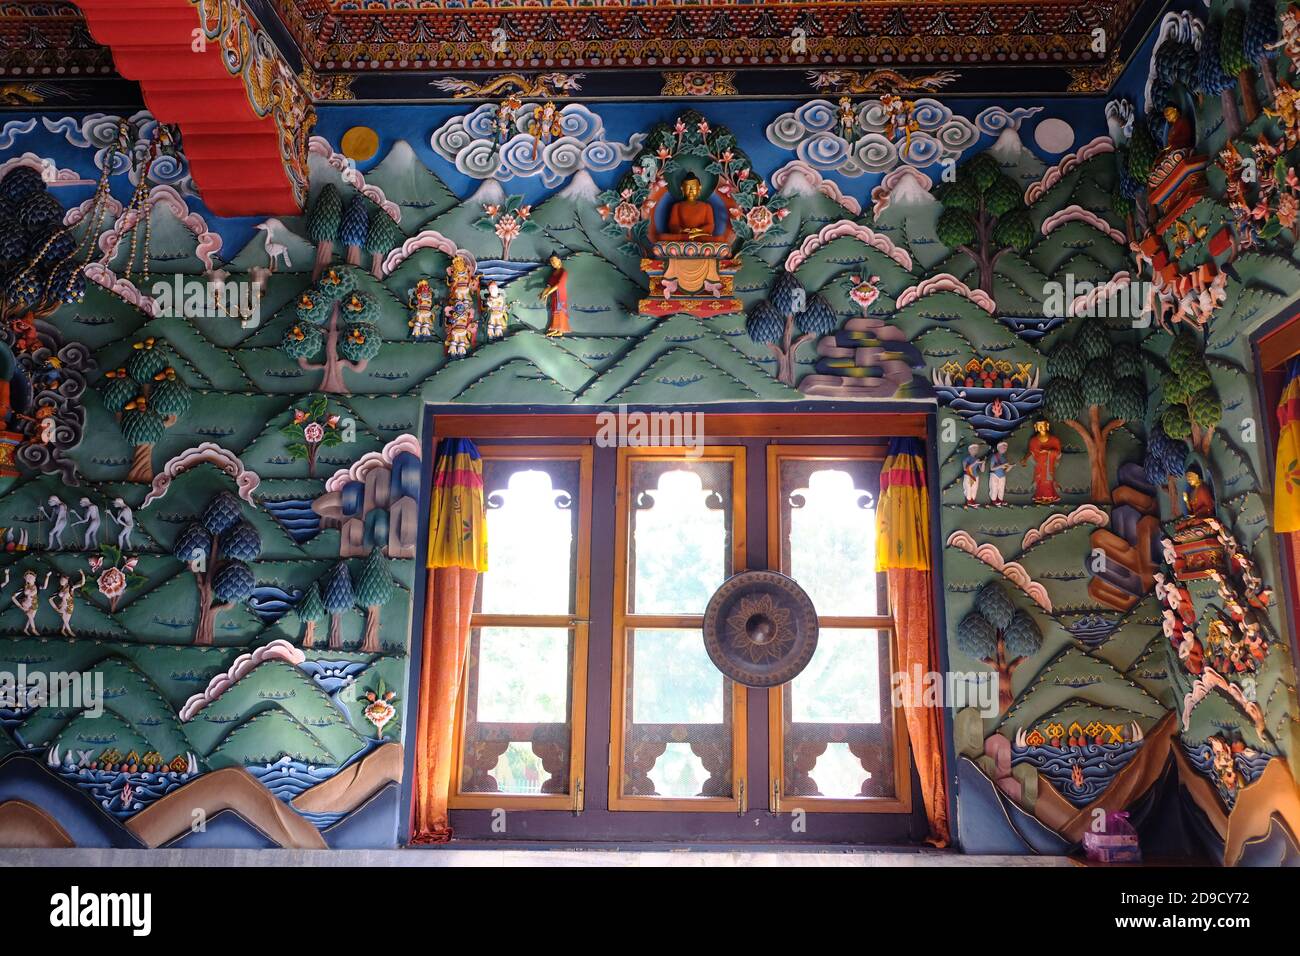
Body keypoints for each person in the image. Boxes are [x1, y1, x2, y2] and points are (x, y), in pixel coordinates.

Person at [663, 174, 715, 241]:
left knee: (718, 239)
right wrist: (681, 230)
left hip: (700, 236)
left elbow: (710, 226)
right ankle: (689, 238)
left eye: (693, 187)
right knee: (662, 237)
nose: (690, 190)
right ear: (682, 188)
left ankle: (691, 238)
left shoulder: (706, 207)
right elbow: (672, 225)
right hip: (683, 236)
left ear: (699, 188)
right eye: (687, 187)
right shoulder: (677, 206)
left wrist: (698, 230)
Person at [1021, 420, 1062, 504]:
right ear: (1036, 427)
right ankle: (1040, 496)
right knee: (1040, 479)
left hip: (1049, 463)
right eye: (1038, 425)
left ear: (1047, 426)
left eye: (1042, 425)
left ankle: (1050, 497)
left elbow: (1058, 452)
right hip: (1039, 463)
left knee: (1048, 480)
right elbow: (1031, 452)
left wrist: (1047, 451)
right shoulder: (1034, 440)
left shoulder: (1054, 440)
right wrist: (1025, 459)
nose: (1041, 427)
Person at [539, 254, 569, 337]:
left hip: (561, 294)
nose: (552, 263)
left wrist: (548, 293)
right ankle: (556, 329)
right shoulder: (554, 273)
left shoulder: (564, 272)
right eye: (551, 261)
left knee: (560, 310)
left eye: (554, 260)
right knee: (554, 311)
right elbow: (549, 285)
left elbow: (559, 285)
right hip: (554, 294)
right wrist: (543, 293)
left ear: (559, 260)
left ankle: (559, 330)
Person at [987, 441, 1013, 506]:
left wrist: (1010, 467)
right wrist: (1001, 466)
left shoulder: (1004, 458)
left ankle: (1000, 500)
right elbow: (992, 468)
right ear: (998, 448)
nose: (1005, 448)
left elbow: (1006, 470)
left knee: (1001, 488)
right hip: (995, 475)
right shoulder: (994, 456)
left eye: (1006, 447)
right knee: (994, 488)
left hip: (1002, 475)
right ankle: (993, 500)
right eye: (1003, 447)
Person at [961, 443, 985, 508]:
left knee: (974, 489)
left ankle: (973, 501)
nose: (976, 450)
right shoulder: (967, 458)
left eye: (977, 448)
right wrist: (975, 463)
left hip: (976, 476)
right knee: (968, 488)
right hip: (968, 475)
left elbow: (982, 470)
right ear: (969, 450)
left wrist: (983, 463)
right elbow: (965, 469)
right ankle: (969, 501)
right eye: (974, 448)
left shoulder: (977, 459)